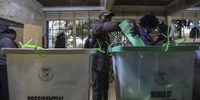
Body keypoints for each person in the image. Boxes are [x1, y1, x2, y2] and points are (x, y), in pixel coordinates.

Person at [87, 10, 120, 100]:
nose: (109, 18)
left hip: (104, 67)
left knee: (105, 90)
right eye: (106, 16)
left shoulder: (105, 34)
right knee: (97, 91)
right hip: (96, 67)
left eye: (110, 17)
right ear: (101, 17)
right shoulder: (96, 28)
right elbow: (104, 26)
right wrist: (119, 25)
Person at [0, 29, 17, 100]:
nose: (15, 37)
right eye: (15, 35)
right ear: (11, 34)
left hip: (2, 65)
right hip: (4, 65)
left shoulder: (2, 39)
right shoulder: (6, 40)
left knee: (3, 85)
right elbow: (10, 54)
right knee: (6, 85)